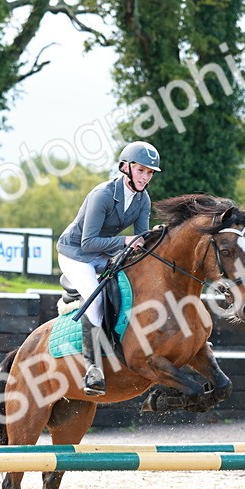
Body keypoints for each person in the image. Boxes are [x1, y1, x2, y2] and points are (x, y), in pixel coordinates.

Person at [56, 140, 160, 396]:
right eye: (141, 170)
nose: (145, 177)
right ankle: (92, 368)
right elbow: (88, 242)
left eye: (149, 173)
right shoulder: (102, 194)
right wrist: (125, 241)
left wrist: (156, 238)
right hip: (76, 254)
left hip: (103, 252)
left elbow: (141, 239)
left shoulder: (143, 199)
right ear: (125, 167)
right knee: (96, 300)